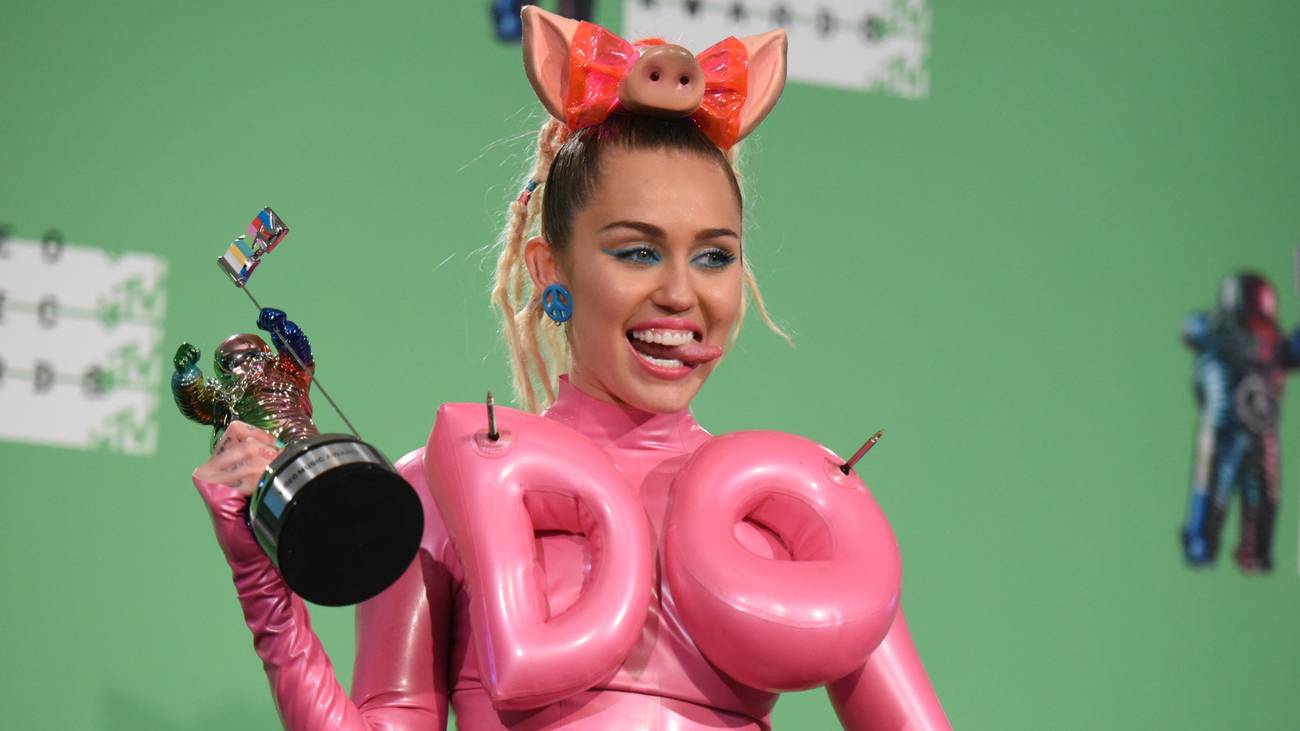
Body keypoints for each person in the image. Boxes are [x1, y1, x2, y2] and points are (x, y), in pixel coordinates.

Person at [191, 8, 950, 729]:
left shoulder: (801, 509)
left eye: (714, 256)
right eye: (637, 251)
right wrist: (262, 582)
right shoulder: (443, 491)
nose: (681, 293)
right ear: (550, 270)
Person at [1180, 272, 1300, 572]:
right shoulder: (1215, 334)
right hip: (1223, 429)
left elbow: (1292, 352)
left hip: (1260, 431)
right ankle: (1201, 546)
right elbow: (1193, 328)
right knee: (1213, 491)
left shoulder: (1273, 345)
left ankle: (1255, 552)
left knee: (1262, 496)